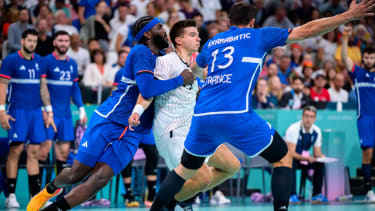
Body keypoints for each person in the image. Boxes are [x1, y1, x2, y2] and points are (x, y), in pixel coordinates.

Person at [149, 1, 375, 211]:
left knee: (183, 170)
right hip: (235, 114)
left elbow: (196, 70)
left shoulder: (213, 42)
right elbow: (307, 30)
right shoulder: (258, 35)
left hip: (202, 116)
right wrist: (348, 16)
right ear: (252, 22)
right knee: (282, 157)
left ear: (229, 23)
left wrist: (208, 77)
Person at [26, 16, 195, 211]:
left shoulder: (163, 59)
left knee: (100, 179)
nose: (164, 30)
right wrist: (180, 79)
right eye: (159, 27)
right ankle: (50, 189)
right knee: (77, 174)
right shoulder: (141, 51)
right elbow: (147, 89)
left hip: (134, 131)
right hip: (110, 120)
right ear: (147, 34)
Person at [128, 19, 240, 210]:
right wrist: (137, 112)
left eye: (197, 34)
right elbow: (148, 92)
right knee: (203, 178)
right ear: (178, 40)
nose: (198, 37)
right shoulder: (166, 62)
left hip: (193, 129)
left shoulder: (195, 65)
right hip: (172, 131)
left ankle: (180, 200)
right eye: (192, 34)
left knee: (232, 166)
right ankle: (165, 205)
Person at [0, 29, 56, 208]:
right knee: (15, 151)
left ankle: (36, 197)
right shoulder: (10, 61)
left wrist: (49, 112)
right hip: (17, 111)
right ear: (22, 41)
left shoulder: (40, 61)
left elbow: (43, 88)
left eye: (35, 41)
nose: (32, 44)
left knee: (34, 153)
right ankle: (11, 196)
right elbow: (2, 87)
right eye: (29, 40)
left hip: (36, 112)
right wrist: (1, 112)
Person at [38, 30, 87, 186]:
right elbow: (40, 88)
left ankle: (56, 192)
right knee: (43, 153)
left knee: (64, 154)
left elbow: (75, 88)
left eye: (66, 41)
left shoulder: (72, 63)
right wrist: (43, 110)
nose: (64, 44)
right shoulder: (46, 61)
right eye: (60, 40)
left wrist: (81, 109)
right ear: (54, 42)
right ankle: (38, 192)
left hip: (65, 115)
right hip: (49, 115)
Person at [341, 24, 375, 202]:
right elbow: (345, 58)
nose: (369, 60)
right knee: (367, 153)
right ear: (363, 58)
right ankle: (369, 191)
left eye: (372, 57)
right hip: (365, 119)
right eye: (367, 57)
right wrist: (345, 38)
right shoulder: (358, 74)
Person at [284, 106, 328, 204]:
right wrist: (307, 158)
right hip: (285, 159)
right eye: (307, 116)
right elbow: (290, 152)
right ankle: (292, 195)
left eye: (312, 117)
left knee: (319, 164)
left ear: (315, 119)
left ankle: (317, 195)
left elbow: (317, 153)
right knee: (291, 161)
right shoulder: (293, 129)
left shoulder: (317, 131)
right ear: (302, 117)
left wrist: (322, 157)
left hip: (302, 158)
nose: (309, 119)